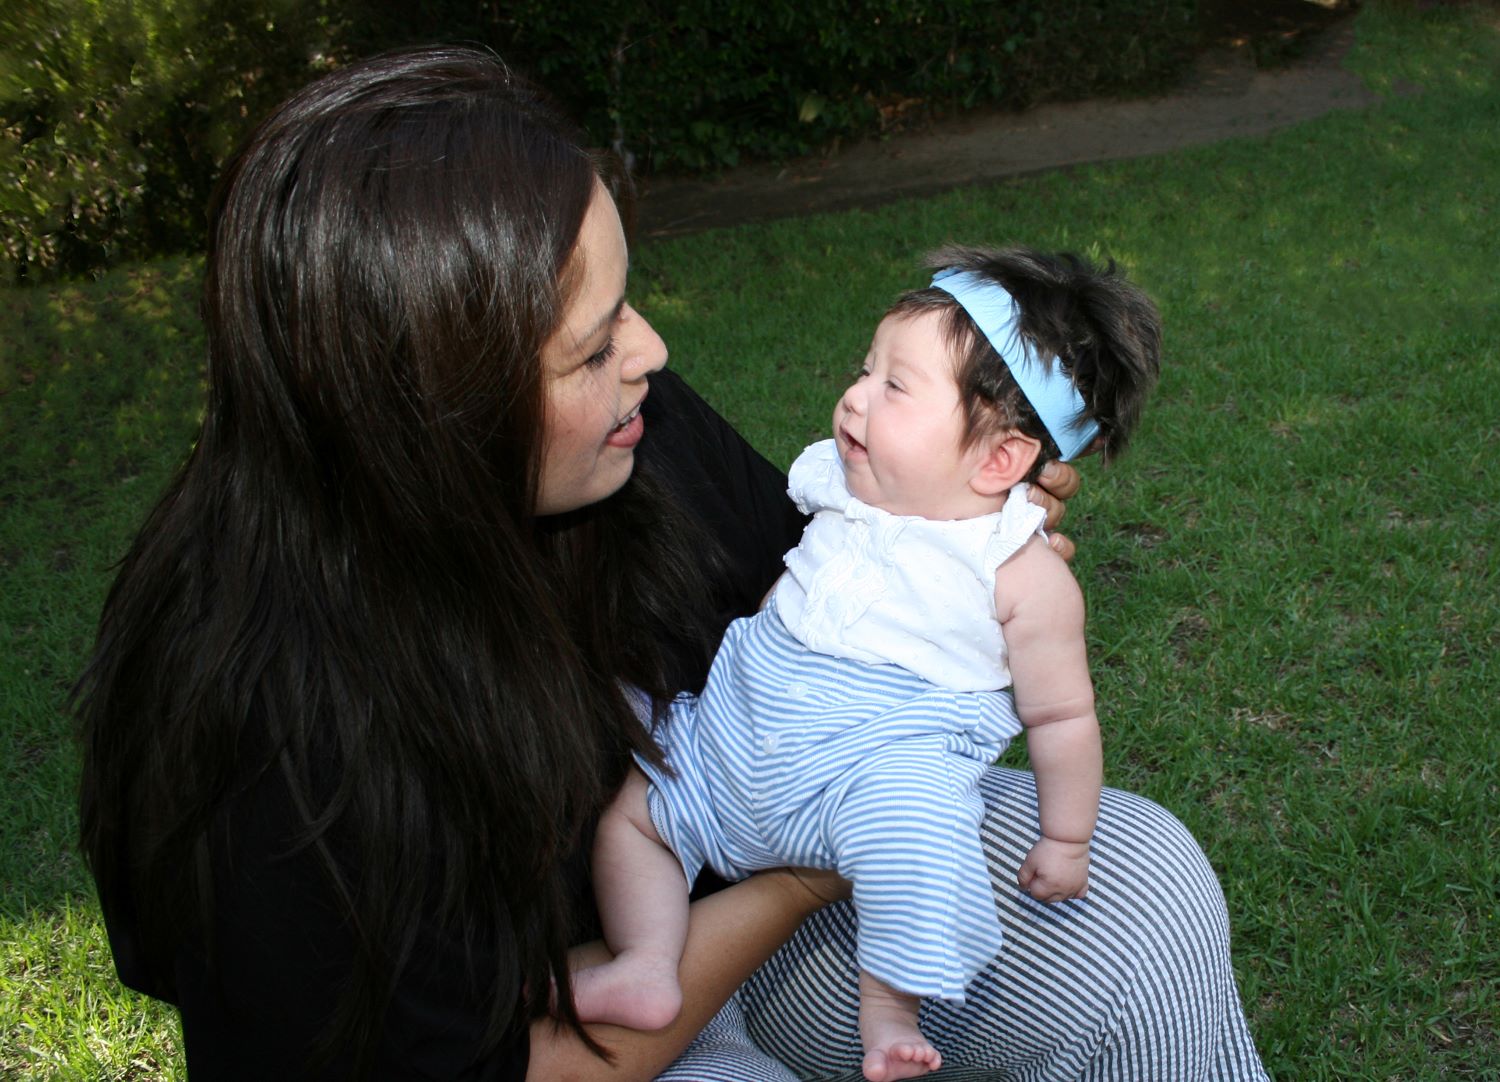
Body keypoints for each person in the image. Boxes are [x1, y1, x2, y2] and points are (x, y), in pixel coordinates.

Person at [74, 45, 1269, 1081]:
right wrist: (819, 864)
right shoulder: (264, 738)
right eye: (592, 346)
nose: (649, 350)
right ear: (428, 414)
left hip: (731, 866)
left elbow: (817, 601)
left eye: (627, 301)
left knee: (1143, 889)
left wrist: (945, 543)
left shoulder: (623, 431)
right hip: (578, 1020)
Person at [572, 247, 1158, 1081]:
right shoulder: (843, 484)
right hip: (725, 750)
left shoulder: (1022, 576)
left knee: (915, 830)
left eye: (895, 386)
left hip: (858, 781)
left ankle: (888, 1010)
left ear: (999, 460)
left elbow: (1062, 716)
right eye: (864, 368)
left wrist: (1067, 837)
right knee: (633, 814)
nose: (854, 394)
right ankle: (646, 963)